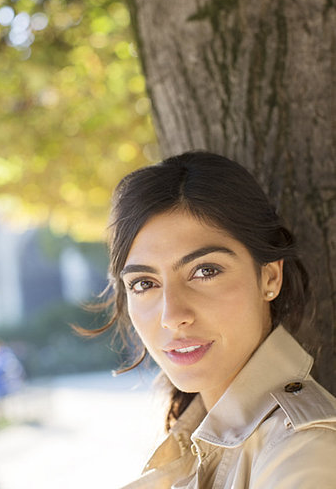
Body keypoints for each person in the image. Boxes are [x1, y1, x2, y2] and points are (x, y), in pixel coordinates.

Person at [89, 151, 336, 488]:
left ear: (270, 278)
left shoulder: (305, 450)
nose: (173, 316)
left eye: (205, 271)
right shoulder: (189, 442)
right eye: (144, 283)